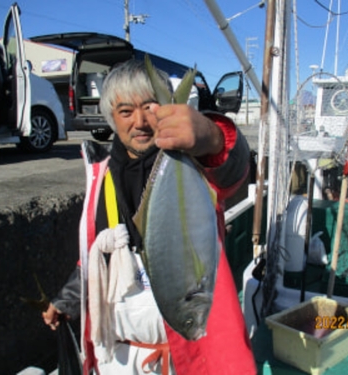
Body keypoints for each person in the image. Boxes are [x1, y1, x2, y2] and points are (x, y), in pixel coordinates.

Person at [42, 58, 256, 375]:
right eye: (126, 111)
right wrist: (67, 300)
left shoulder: (197, 164)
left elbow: (234, 169)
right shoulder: (99, 177)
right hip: (121, 357)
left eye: (151, 107)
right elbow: (97, 256)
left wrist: (210, 136)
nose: (140, 122)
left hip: (188, 357)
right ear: (111, 118)